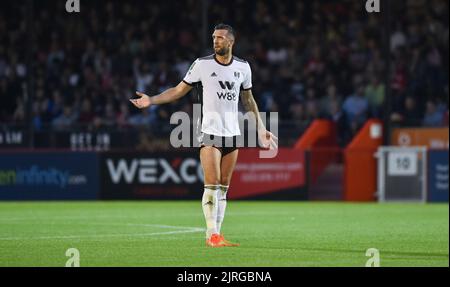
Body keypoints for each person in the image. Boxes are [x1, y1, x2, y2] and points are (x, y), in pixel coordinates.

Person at [130, 24, 278, 247]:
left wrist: (260, 128)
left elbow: (248, 100)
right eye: (213, 38)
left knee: (225, 187)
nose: (215, 41)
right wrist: (151, 100)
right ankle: (211, 234)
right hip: (209, 131)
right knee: (212, 183)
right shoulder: (202, 65)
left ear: (231, 42)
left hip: (233, 133)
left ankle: (217, 234)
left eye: (220, 38)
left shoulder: (243, 67)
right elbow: (178, 91)